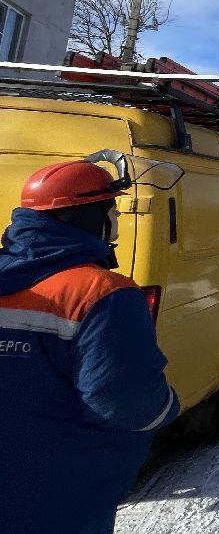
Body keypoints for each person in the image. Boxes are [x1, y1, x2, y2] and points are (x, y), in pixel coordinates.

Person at [0, 159, 179, 534]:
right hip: (60, 490)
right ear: (82, 216)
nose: (116, 218)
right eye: (110, 209)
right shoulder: (103, 293)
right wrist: (167, 407)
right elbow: (129, 403)